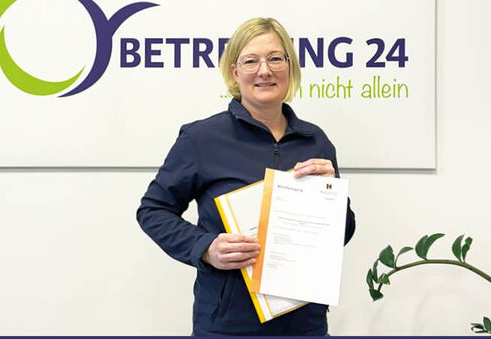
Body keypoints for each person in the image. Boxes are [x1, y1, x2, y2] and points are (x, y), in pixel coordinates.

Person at [137, 18, 356, 336]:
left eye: (275, 58)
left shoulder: (315, 141)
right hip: (227, 327)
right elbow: (153, 210)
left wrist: (333, 196)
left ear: (290, 68)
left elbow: (342, 234)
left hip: (306, 326)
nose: (264, 71)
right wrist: (206, 247)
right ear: (235, 72)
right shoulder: (201, 138)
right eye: (251, 61)